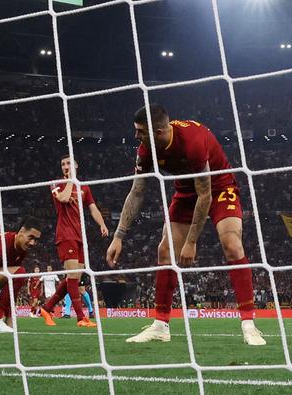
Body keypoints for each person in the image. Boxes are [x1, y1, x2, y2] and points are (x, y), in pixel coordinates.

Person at [106, 104, 265, 346]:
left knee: (232, 244)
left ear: (158, 132)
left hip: (219, 186)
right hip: (185, 192)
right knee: (165, 250)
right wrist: (119, 235)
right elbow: (137, 192)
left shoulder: (192, 142)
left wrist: (191, 241)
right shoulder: (145, 150)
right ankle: (160, 325)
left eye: (140, 132)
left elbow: (205, 195)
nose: (136, 137)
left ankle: (248, 324)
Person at [40, 156, 108, 328]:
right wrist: (70, 180)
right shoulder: (55, 183)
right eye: (63, 164)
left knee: (74, 278)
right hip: (65, 234)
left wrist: (102, 224)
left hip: (80, 236)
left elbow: (93, 208)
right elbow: (62, 198)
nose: (65, 166)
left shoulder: (85, 187)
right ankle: (80, 318)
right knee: (72, 278)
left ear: (76, 165)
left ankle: (46, 309)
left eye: (69, 163)